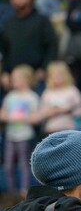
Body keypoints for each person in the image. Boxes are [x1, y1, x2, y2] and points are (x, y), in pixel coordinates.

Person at [0, 64, 41, 196]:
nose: (13, 81)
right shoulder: (10, 96)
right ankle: (11, 192)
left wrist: (19, 118)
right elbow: (2, 114)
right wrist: (9, 117)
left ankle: (24, 191)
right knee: (8, 165)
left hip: (25, 136)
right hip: (11, 136)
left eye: (16, 78)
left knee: (24, 164)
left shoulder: (32, 96)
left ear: (26, 80)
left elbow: (36, 117)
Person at [39, 60, 81, 134]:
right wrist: (51, 112)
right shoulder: (47, 93)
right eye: (54, 75)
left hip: (70, 128)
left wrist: (68, 110)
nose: (57, 78)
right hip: (51, 130)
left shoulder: (72, 90)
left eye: (60, 75)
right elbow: (42, 112)